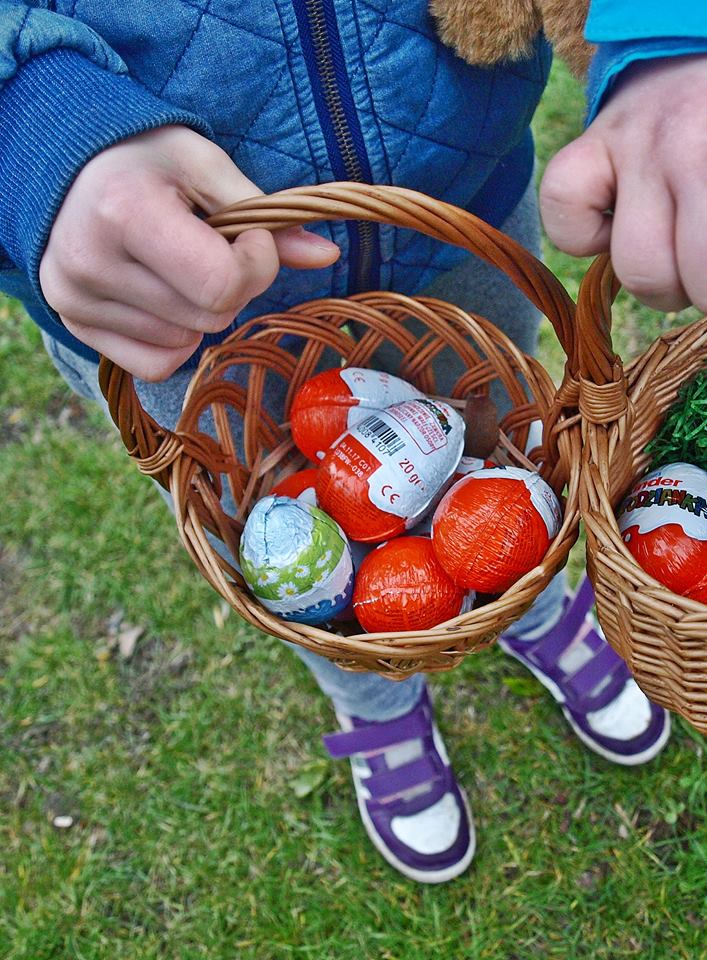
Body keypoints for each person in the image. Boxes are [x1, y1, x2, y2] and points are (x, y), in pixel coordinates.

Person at [0, 1, 704, 884]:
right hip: (171, 298)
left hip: (458, 214)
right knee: (258, 537)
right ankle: (374, 700)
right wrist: (34, 121)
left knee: (501, 438)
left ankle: (531, 604)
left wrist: (664, 32)